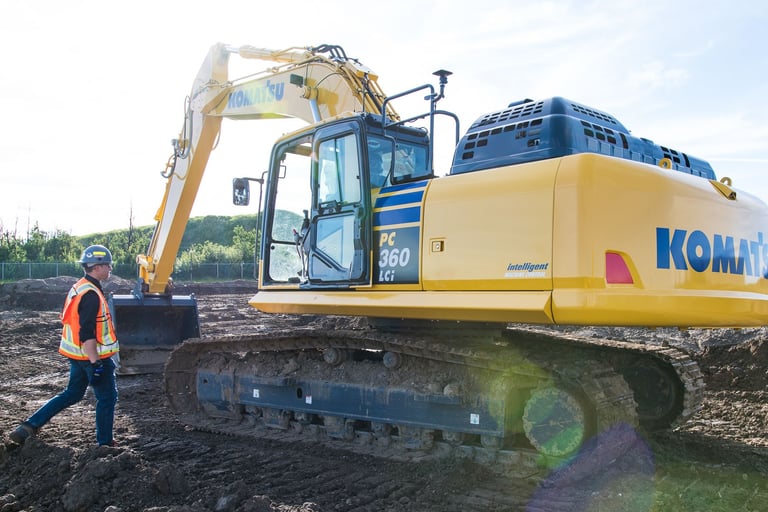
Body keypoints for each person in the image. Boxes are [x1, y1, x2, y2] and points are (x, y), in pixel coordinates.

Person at [8, 244, 120, 447]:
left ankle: (28, 427)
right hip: (91, 356)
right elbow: (87, 332)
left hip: (77, 355)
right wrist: (95, 363)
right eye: (107, 265)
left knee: (72, 394)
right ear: (96, 267)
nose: (110, 268)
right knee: (107, 398)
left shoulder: (80, 286)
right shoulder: (91, 294)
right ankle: (105, 443)